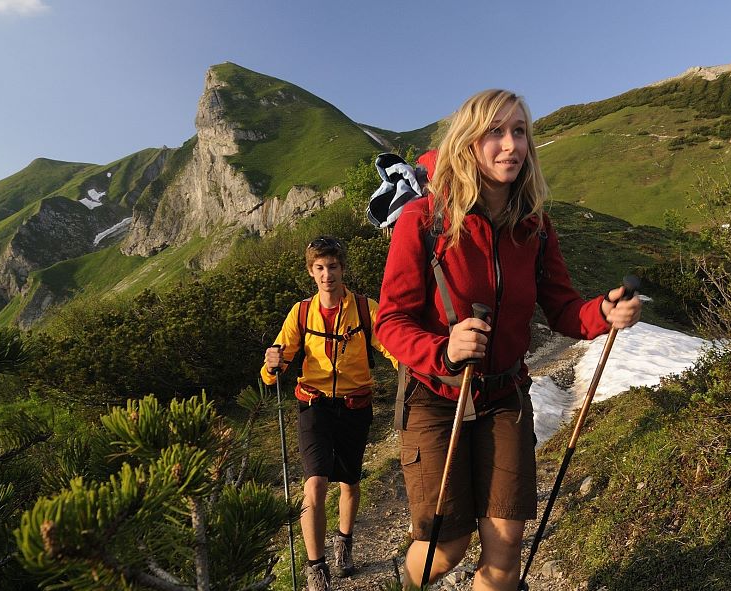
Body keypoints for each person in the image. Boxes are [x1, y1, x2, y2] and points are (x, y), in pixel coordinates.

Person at [374, 89, 641, 590]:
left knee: (505, 549)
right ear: (468, 143)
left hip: (503, 397)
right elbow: (390, 320)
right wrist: (443, 350)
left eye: (519, 131)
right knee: (445, 546)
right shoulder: (424, 220)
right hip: (435, 398)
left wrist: (603, 312)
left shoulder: (535, 227)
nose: (510, 144)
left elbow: (563, 309)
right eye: (495, 132)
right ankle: (401, 581)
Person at [262, 236, 397, 591]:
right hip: (314, 405)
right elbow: (280, 356)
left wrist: (410, 370)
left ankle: (344, 542)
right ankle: (315, 566)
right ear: (311, 272)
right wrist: (271, 366)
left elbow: (390, 345)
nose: (327, 275)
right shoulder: (301, 312)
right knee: (316, 483)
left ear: (342, 268)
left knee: (350, 482)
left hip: (356, 405)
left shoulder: (366, 309)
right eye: (319, 268)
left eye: (332, 267)